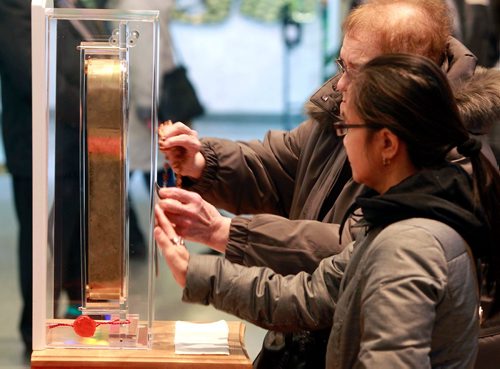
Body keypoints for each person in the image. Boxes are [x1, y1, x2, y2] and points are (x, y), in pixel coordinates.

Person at [158, 1, 500, 366]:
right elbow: (312, 295)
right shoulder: (391, 214)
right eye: (342, 66)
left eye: (356, 71)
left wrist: (224, 234)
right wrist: (202, 170)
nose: (340, 85)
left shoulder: (408, 244)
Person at [0, 0, 34, 358]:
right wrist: (85, 103)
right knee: (38, 239)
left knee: (67, 240)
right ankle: (33, 333)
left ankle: (68, 321)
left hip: (69, 145)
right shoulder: (12, 7)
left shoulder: (64, 4)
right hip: (33, 144)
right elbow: (30, 74)